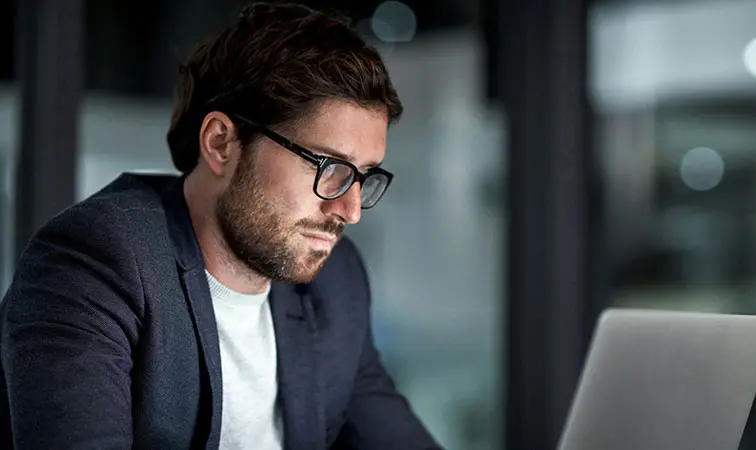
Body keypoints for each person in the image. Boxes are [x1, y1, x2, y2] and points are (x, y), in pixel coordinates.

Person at [0, 3, 441, 449]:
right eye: (329, 167)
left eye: (363, 176)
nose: (350, 210)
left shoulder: (337, 281)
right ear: (221, 143)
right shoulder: (96, 262)